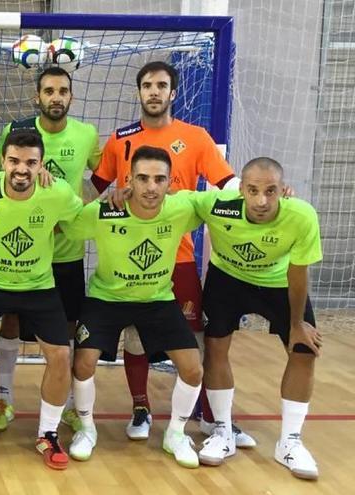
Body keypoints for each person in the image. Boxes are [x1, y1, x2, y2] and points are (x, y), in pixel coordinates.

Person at [89, 61, 254, 446]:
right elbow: (94, 188)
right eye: (147, 85)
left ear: (173, 93)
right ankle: (141, 408)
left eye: (161, 85)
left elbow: (229, 186)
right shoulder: (119, 139)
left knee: (195, 339)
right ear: (138, 92)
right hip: (129, 255)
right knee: (135, 337)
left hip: (178, 254)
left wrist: (267, 194)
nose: (154, 92)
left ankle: (212, 418)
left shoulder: (196, 137)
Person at [0, 129, 83, 471]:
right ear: (2, 161)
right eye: (14, 161)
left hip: (37, 284)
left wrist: (120, 201)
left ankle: (48, 433)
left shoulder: (58, 192)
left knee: (60, 354)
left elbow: (80, 221)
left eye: (30, 162)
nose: (21, 169)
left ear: (41, 165)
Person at [65, 145, 205, 469]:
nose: (151, 187)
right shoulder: (107, 211)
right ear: (129, 179)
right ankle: (86, 429)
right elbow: (67, 225)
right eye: (143, 178)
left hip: (157, 299)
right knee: (84, 363)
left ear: (172, 182)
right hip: (106, 298)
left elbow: (226, 202)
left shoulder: (183, 208)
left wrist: (279, 195)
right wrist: (97, 199)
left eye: (159, 179)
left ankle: (175, 434)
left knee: (193, 368)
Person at [0, 66, 101, 433]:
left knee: (65, 331)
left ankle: (66, 402)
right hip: (20, 253)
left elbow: (105, 175)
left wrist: (79, 202)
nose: (56, 97)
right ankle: (4, 398)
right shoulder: (14, 132)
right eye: (48, 91)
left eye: (63, 91)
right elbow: (3, 181)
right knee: (11, 320)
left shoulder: (86, 134)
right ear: (36, 97)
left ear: (71, 96)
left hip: (66, 252)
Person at [194, 158, 322, 479]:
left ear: (283, 190)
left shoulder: (301, 216)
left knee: (305, 350)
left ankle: (290, 442)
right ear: (241, 189)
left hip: (278, 283)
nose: (261, 200)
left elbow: (298, 271)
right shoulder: (219, 205)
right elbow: (175, 202)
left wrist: (296, 324)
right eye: (253, 190)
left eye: (270, 191)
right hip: (228, 279)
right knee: (215, 345)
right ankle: (222, 432)